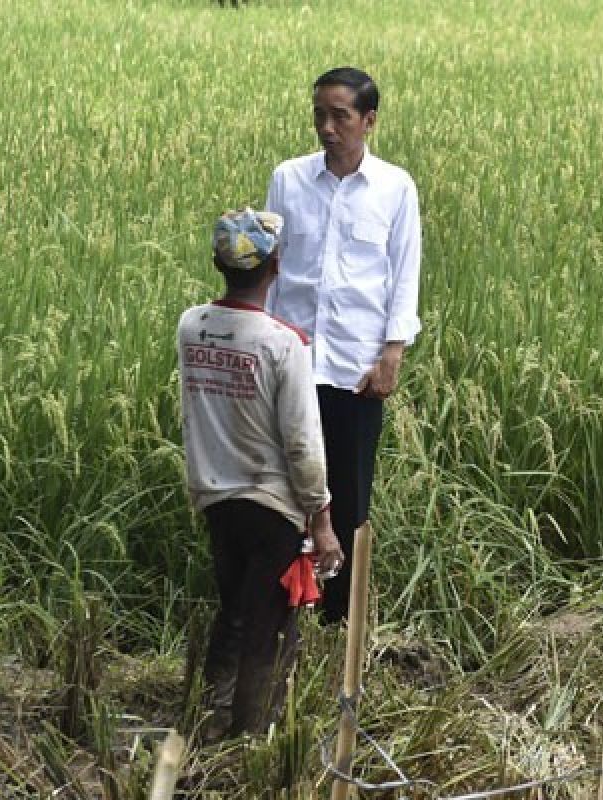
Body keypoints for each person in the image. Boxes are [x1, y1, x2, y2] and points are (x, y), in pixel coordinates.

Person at [178, 208, 344, 740]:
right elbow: (302, 443)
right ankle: (251, 734)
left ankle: (209, 716)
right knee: (268, 625)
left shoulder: (192, 325)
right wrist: (321, 520)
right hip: (272, 505)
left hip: (214, 497)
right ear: (275, 267)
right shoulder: (282, 344)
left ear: (216, 263)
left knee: (233, 608)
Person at [265, 66, 422, 623]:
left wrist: (392, 353)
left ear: (369, 120)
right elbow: (273, 268)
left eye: (340, 116)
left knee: (349, 498)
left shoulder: (394, 188)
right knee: (285, 491)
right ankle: (285, 609)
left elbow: (404, 274)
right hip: (292, 363)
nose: (327, 127)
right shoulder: (288, 178)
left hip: (355, 368)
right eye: (319, 115)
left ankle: (338, 624)